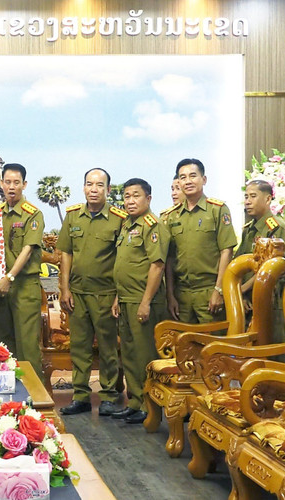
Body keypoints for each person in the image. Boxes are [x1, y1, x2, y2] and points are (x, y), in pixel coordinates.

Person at [56, 168, 125, 417]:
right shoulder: (73, 216)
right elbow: (65, 253)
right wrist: (64, 288)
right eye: (89, 184)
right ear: (84, 187)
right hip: (78, 294)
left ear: (107, 189)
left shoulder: (119, 218)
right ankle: (81, 396)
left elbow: (123, 259)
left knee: (108, 348)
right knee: (80, 347)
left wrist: (118, 294)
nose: (93, 189)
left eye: (99, 185)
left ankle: (108, 395)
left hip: (106, 294)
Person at [111, 178, 168, 424]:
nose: (130, 201)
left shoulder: (152, 225)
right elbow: (123, 263)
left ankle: (150, 406)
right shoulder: (127, 225)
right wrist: (117, 297)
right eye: (127, 196)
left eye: (136, 196)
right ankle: (134, 401)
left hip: (143, 301)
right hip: (125, 299)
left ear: (148, 199)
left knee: (145, 356)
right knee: (129, 354)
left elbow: (157, 266)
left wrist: (145, 302)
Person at [163, 158, 237, 325]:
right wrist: (170, 295)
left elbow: (227, 250)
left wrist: (219, 290)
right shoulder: (170, 216)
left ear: (204, 179)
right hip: (181, 295)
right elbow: (169, 258)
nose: (187, 181)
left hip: (209, 291)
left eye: (192, 176)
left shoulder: (217, 210)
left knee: (213, 347)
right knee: (184, 346)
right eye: (182, 177)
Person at [0, 163, 45, 382]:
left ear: (24, 185)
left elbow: (27, 250)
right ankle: (7, 394)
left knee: (26, 346)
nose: (11, 187)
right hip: (1, 288)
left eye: (16, 182)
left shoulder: (33, 214)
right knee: (2, 343)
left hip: (23, 286)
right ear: (1, 184)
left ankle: (35, 399)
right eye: (7, 182)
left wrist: (9, 277)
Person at [237, 180, 285, 343]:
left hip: (270, 298)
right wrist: (243, 295)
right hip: (248, 299)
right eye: (246, 197)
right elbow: (240, 263)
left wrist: (242, 290)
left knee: (271, 349)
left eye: (253, 196)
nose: (247, 201)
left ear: (268, 199)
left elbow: (269, 268)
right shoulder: (248, 229)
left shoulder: (276, 227)